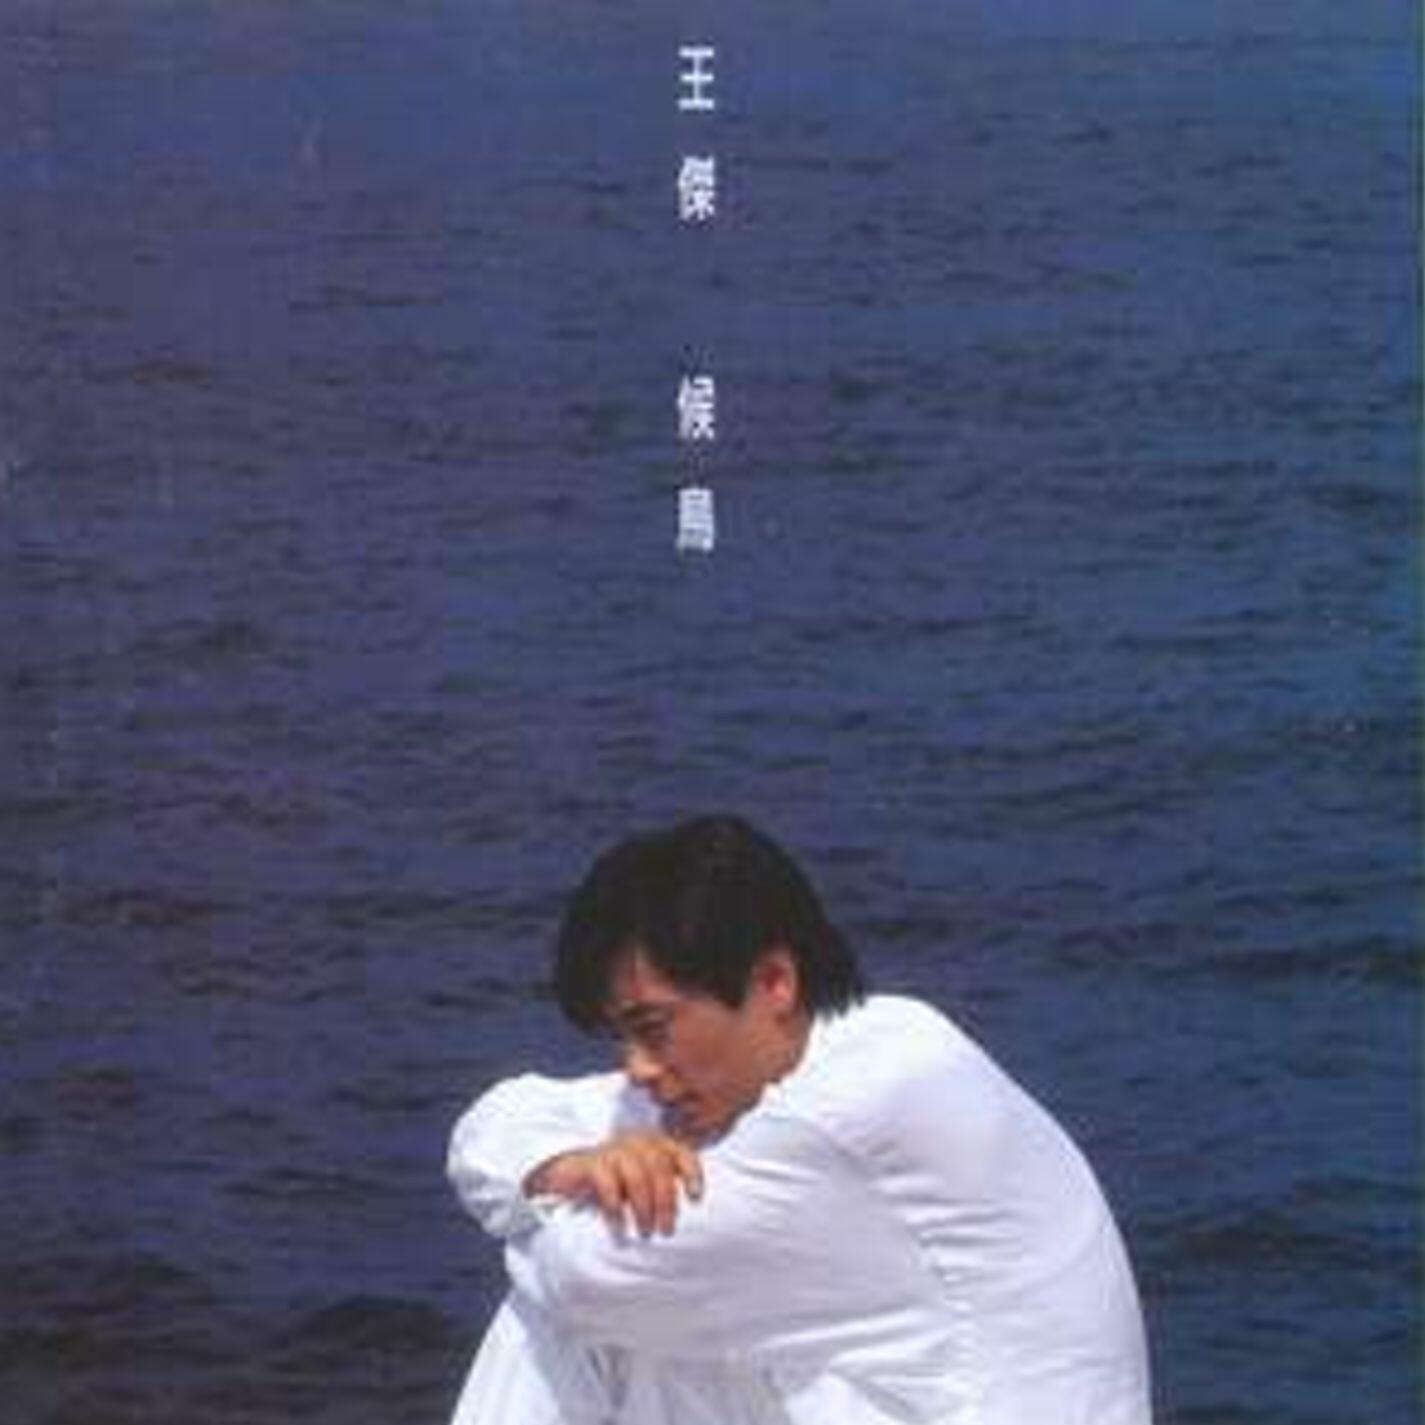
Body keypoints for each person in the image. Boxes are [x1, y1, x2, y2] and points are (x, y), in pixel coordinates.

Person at [446, 815, 1153, 1424]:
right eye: (620, 1038)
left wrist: (549, 1199)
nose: (636, 1068)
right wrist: (561, 1165)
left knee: (567, 1318)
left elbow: (580, 1279)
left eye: (653, 1028)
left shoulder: (854, 1107)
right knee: (633, 1285)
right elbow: (501, 1114)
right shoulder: (854, 1040)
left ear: (774, 981)